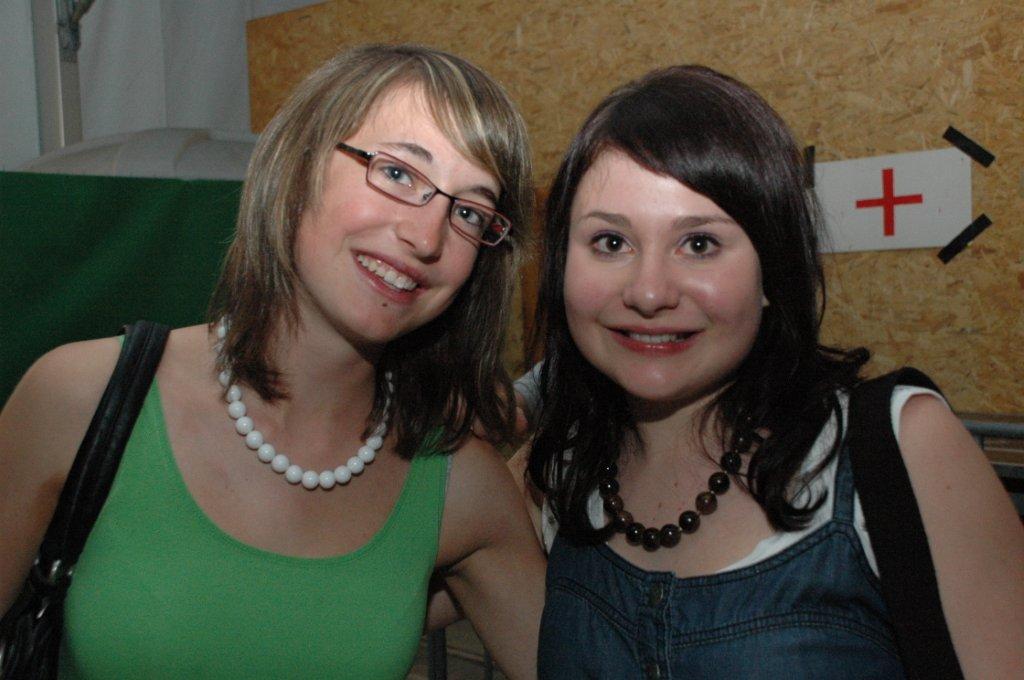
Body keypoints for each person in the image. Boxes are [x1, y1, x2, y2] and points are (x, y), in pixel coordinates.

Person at [0, 44, 545, 679]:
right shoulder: (81, 398)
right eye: (398, 173)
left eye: (469, 212)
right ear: (297, 166)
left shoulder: (457, 483)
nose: (426, 238)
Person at [513, 65, 1024, 678]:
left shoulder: (900, 449)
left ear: (771, 271)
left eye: (699, 244)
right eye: (611, 243)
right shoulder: (558, 467)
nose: (648, 292)